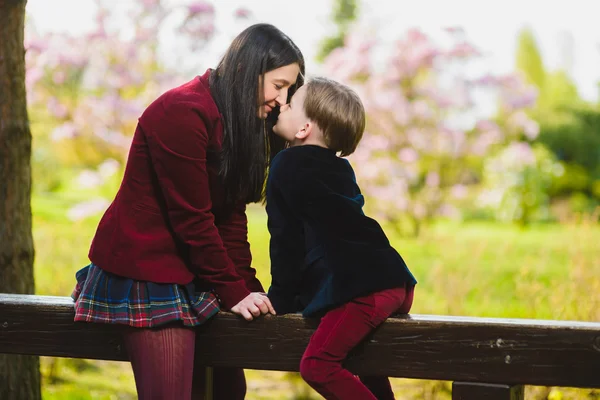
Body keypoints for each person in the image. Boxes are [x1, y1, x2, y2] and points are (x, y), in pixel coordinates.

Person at [71, 23, 305, 400]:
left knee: (228, 389)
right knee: (171, 392)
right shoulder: (182, 112)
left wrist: (246, 287)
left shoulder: (234, 120)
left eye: (290, 90)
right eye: (279, 85)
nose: (283, 99)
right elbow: (192, 218)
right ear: (247, 70)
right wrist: (232, 291)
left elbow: (229, 217)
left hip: (194, 269)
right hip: (147, 269)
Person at [266, 76, 417, 400]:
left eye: (291, 103)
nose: (282, 104)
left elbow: (286, 240)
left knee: (318, 365)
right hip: (394, 280)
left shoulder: (285, 164)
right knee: (360, 359)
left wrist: (279, 299)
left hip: (363, 289)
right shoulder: (341, 167)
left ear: (304, 128)